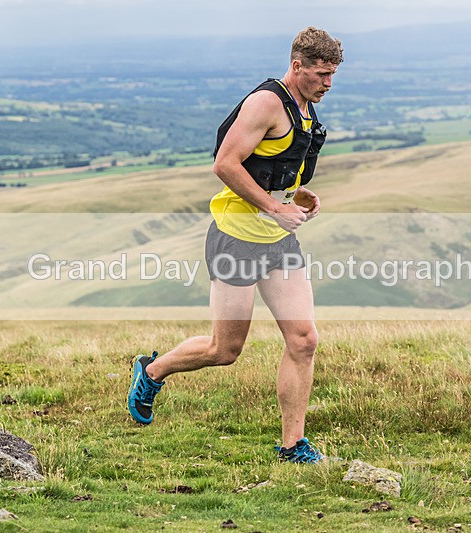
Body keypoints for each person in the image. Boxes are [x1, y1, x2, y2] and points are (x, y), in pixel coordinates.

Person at [128, 27, 343, 463]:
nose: (329, 83)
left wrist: (298, 196)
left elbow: (274, 166)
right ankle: (153, 371)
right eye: (322, 73)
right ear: (297, 66)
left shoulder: (305, 106)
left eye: (334, 74)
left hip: (278, 240)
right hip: (236, 238)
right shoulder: (267, 102)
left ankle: (293, 446)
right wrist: (274, 208)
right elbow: (225, 164)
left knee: (303, 340)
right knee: (224, 350)